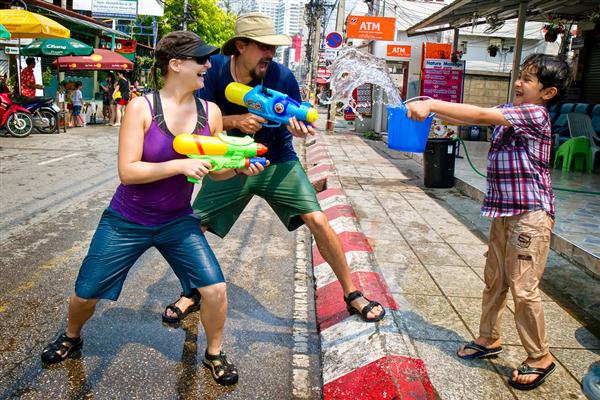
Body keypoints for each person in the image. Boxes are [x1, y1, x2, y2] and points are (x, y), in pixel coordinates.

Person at [39, 31, 260, 386]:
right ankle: (71, 335)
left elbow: (216, 173)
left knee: (215, 289)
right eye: (200, 59)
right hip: (127, 219)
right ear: (175, 64)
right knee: (85, 294)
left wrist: (238, 169)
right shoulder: (142, 107)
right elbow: (128, 171)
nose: (208, 65)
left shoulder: (211, 113)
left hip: (177, 221)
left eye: (208, 59)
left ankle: (214, 353)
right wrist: (178, 165)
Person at [164, 12, 385, 325]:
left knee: (318, 219)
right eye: (263, 46)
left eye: (273, 47)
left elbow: (294, 120)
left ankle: (351, 293)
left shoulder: (281, 77)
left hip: (278, 158)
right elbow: (197, 123)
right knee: (192, 226)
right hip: (232, 161)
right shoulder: (212, 77)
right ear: (240, 46)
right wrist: (234, 121)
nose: (271, 53)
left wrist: (298, 129)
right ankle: (192, 291)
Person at [406, 53, 571, 391]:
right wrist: (430, 105)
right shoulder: (513, 112)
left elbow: (481, 114)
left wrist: (432, 103)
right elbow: (475, 118)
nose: (518, 83)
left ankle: (540, 356)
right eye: (520, 75)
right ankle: (488, 338)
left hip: (530, 217)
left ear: (548, 93)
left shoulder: (535, 114)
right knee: (494, 279)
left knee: (523, 288)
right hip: (505, 213)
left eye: (528, 78)